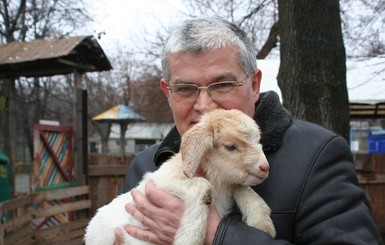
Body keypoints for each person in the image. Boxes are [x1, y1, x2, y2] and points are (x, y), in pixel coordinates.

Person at [115, 17, 383, 244]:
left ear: (254, 85)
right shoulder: (146, 164)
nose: (205, 106)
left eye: (222, 85)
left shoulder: (318, 155)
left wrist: (217, 234)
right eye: (185, 89)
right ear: (168, 93)